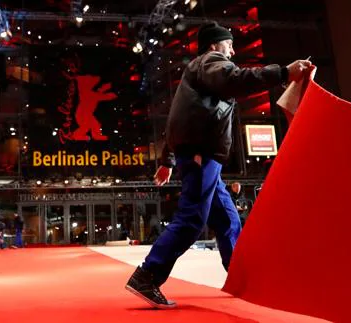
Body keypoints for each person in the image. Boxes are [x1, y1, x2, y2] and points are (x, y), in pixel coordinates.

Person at [125, 21, 314, 309]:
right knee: (191, 219)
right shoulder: (211, 61)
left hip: (201, 154)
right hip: (202, 153)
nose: (233, 50)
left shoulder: (197, 74)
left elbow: (177, 120)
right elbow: (234, 80)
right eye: (229, 44)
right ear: (215, 45)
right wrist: (284, 73)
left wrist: (168, 161)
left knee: (227, 218)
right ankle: (147, 275)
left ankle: (239, 279)